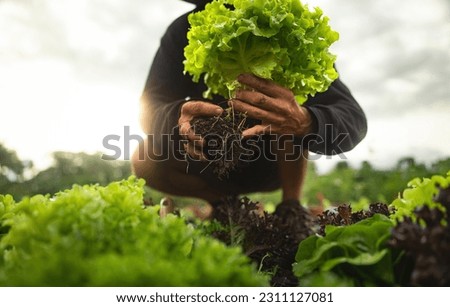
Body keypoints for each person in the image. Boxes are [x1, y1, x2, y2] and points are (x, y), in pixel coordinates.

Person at [132, 0, 367, 215]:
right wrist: (176, 118)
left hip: (273, 163)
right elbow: (150, 106)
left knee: (286, 110)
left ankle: (291, 208)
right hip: (209, 159)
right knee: (143, 158)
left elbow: (352, 118)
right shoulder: (183, 31)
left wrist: (306, 121)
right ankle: (225, 204)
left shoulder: (287, 24)